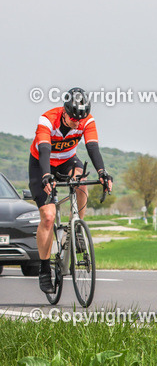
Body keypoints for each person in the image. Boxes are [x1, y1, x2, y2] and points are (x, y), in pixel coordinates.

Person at [29, 88, 113, 294]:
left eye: (80, 118)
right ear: (64, 112)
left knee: (81, 181)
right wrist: (46, 175)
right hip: (42, 163)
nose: (77, 122)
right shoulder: (47, 119)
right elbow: (45, 149)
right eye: (74, 118)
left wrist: (102, 172)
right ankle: (44, 268)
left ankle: (76, 228)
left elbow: (92, 147)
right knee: (48, 217)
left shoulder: (87, 121)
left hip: (67, 161)